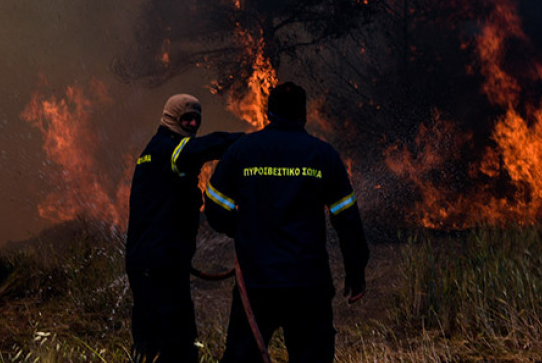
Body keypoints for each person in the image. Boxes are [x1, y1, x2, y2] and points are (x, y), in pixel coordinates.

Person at [205, 82, 369, 363]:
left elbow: (215, 207)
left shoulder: (243, 150)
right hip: (308, 283)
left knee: (242, 358)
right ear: (304, 114)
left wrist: (244, 231)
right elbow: (347, 219)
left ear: (269, 113)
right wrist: (356, 270)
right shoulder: (323, 155)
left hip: (257, 283)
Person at [125, 93, 243, 363]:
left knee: (151, 339)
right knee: (177, 343)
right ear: (171, 118)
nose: (191, 124)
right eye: (186, 119)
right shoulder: (169, 149)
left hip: (153, 262)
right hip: (158, 265)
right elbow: (203, 147)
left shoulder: (155, 150)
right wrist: (249, 141)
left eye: (196, 119)